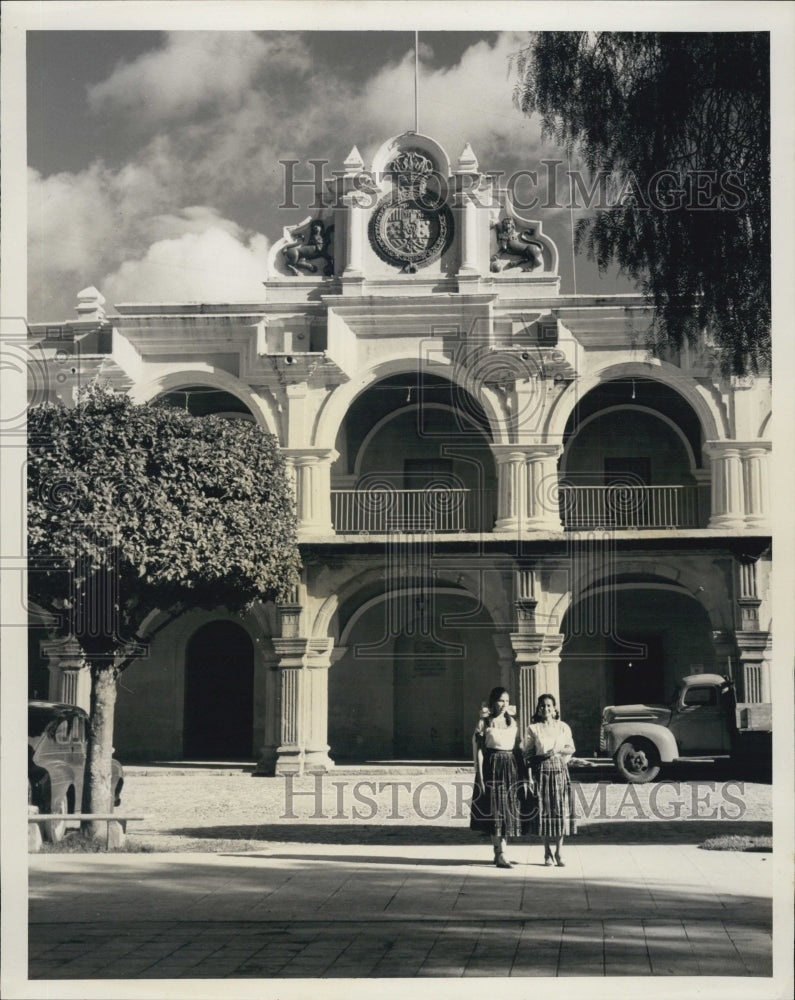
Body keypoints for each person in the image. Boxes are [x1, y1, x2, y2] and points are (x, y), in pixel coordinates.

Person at [469, 686, 528, 868]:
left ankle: (499, 852)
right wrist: (479, 774)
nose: (504, 705)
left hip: (510, 766)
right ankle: (501, 852)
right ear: (493, 701)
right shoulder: (484, 723)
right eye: (501, 700)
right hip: (492, 766)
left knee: (507, 809)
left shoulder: (513, 722)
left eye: (507, 701)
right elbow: (480, 751)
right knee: (495, 810)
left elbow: (518, 750)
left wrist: (524, 776)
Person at [523, 693, 575, 867]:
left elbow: (571, 748)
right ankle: (547, 852)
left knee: (560, 811)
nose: (546, 709)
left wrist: (557, 751)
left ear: (554, 709)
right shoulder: (533, 729)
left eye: (549, 706)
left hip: (560, 771)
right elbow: (528, 755)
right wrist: (530, 778)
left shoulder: (563, 728)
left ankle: (559, 852)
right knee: (544, 811)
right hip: (541, 772)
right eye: (542, 706)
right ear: (538, 709)